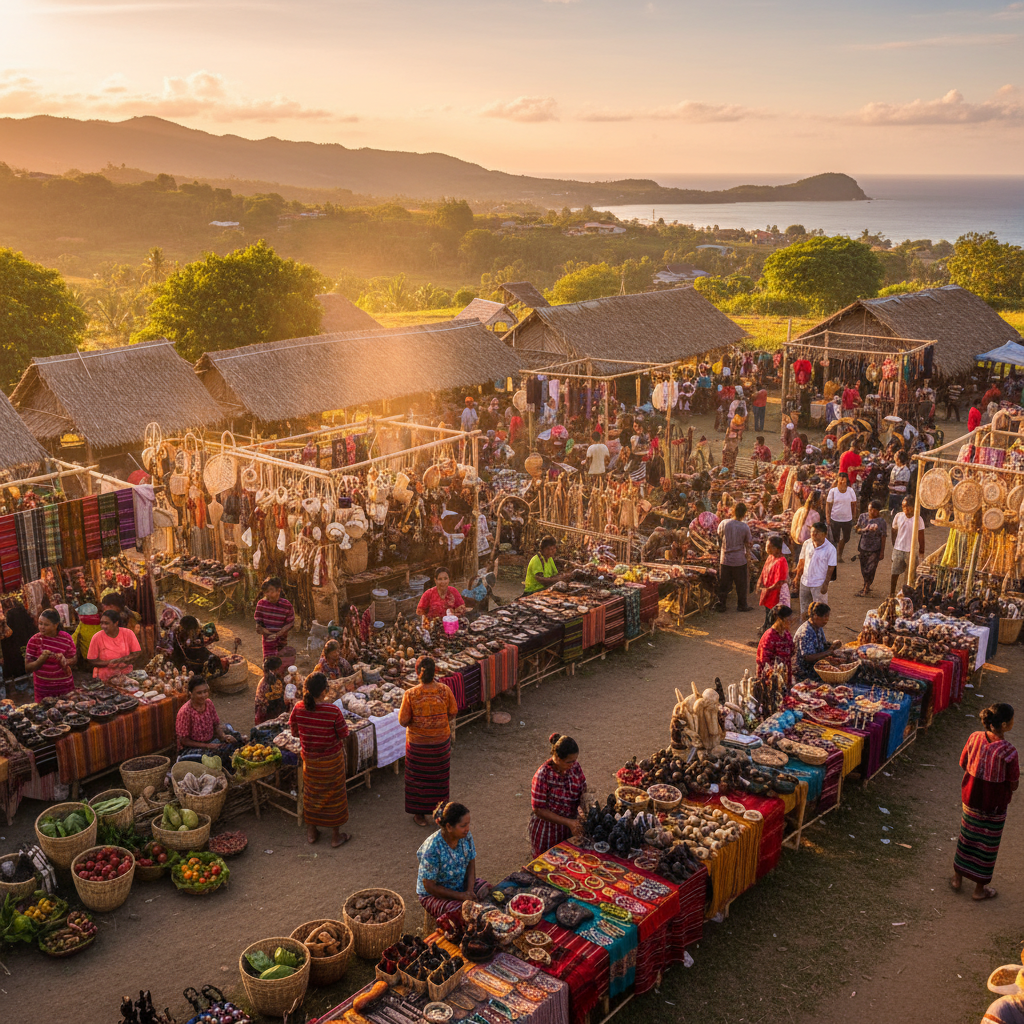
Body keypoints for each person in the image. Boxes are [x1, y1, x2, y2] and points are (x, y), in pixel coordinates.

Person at [951, 702, 1018, 901]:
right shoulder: (1008, 752)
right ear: (1005, 724)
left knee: (967, 837)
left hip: (970, 798)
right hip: (994, 805)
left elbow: (963, 762)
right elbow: (1013, 783)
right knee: (987, 844)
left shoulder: (974, 737)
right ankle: (979, 890)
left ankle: (957, 879)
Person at [288, 672, 352, 846]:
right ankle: (335, 836)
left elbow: (294, 732)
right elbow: (343, 734)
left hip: (311, 762)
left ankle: (312, 832)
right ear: (324, 691)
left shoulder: (298, 708)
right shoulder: (333, 711)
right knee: (335, 795)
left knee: (312, 794)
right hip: (332, 762)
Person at [399, 656, 458, 826]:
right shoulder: (444, 690)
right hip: (440, 744)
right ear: (435, 672)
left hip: (418, 746)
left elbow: (403, 721)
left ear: (417, 673)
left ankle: (419, 815)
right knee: (439, 778)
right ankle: (440, 812)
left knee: (417, 779)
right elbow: (453, 711)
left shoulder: (410, 694)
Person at [416, 801, 490, 927]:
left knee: (489, 891)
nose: (468, 829)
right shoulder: (432, 849)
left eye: (468, 824)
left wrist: (470, 890)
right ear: (449, 827)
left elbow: (471, 863)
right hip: (434, 894)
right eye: (463, 825)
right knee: (462, 912)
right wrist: (461, 896)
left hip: (460, 884)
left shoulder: (466, 836)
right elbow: (429, 886)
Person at [529, 733, 588, 856]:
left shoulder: (575, 767)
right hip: (548, 831)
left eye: (574, 760)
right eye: (568, 762)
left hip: (570, 828)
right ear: (557, 757)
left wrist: (582, 812)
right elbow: (539, 809)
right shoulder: (543, 775)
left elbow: (583, 789)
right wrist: (569, 822)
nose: (572, 764)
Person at [175, 676, 242, 763]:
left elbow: (216, 725)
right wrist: (209, 746)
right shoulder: (185, 712)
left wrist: (223, 736)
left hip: (210, 741)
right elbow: (184, 741)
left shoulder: (209, 703)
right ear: (191, 693)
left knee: (236, 737)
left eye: (205, 692)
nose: (203, 695)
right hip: (192, 748)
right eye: (199, 693)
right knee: (219, 753)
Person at [24, 609, 77, 701]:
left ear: (56, 625)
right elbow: (28, 667)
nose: (42, 627)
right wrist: (41, 659)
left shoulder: (66, 638)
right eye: (40, 623)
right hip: (43, 689)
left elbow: (74, 658)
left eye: (46, 624)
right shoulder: (34, 640)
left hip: (65, 687)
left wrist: (66, 661)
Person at [795, 520, 837, 618]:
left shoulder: (830, 549)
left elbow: (831, 568)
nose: (813, 534)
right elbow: (802, 560)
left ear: (825, 534)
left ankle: (817, 632)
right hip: (804, 582)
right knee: (804, 611)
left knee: (819, 613)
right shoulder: (807, 543)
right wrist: (797, 577)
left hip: (819, 584)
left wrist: (825, 584)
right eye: (812, 532)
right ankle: (805, 631)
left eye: (817, 532)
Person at [716, 502, 752, 613]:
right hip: (739, 560)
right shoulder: (744, 527)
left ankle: (722, 605)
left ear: (732, 511)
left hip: (725, 559)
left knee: (724, 584)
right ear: (744, 514)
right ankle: (742, 605)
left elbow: (719, 538)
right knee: (741, 585)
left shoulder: (723, 523)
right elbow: (749, 544)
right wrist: (749, 556)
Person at [87, 608, 142, 680]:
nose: (103, 626)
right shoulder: (97, 637)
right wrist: (109, 663)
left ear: (116, 623)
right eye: (102, 623)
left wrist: (123, 660)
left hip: (126, 675)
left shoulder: (128, 633)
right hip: (105, 676)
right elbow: (92, 660)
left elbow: (136, 653)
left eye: (106, 623)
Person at [793, 601, 842, 681]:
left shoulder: (818, 626)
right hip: (803, 669)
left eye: (827, 616)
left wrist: (833, 645)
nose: (826, 619)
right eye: (824, 616)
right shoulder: (805, 632)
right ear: (815, 616)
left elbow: (822, 644)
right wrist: (827, 652)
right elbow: (807, 657)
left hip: (815, 662)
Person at [890, 496, 925, 597]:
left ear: (913, 507)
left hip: (911, 551)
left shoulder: (918, 519)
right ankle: (891, 593)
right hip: (898, 549)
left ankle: (907, 594)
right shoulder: (898, 516)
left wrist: (921, 551)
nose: (905, 509)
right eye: (903, 507)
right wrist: (894, 544)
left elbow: (921, 536)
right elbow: (893, 530)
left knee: (910, 575)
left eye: (907, 507)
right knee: (894, 572)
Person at [254, 576, 295, 661]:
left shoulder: (287, 605)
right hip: (268, 641)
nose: (268, 594)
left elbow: (290, 623)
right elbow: (258, 627)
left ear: (278, 590)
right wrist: (269, 634)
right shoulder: (261, 604)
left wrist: (278, 634)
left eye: (271, 591)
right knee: (269, 663)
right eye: (266, 592)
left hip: (282, 641)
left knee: (281, 664)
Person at [756, 534, 789, 633]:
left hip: (775, 593)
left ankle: (770, 631)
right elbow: (764, 570)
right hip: (768, 590)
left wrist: (768, 589)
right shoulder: (771, 557)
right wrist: (759, 583)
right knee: (767, 610)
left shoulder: (781, 561)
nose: (767, 549)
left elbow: (780, 581)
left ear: (776, 549)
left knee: (773, 612)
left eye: (769, 547)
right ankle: (766, 626)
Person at [855, 499, 888, 597]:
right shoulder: (863, 516)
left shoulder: (882, 522)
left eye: (874, 510)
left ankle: (865, 588)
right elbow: (856, 529)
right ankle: (866, 584)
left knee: (871, 569)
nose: (872, 512)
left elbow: (883, 536)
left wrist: (882, 551)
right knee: (864, 568)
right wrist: (864, 529)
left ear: (878, 511)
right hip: (863, 546)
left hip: (875, 548)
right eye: (870, 510)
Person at [756, 605, 795, 685]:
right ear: (779, 619)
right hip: (771, 680)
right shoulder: (769, 637)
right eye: (788, 620)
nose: (791, 622)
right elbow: (765, 663)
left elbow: (791, 652)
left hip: (785, 677)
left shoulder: (786, 634)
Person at [826, 472, 857, 562]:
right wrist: (828, 517)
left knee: (846, 538)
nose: (842, 480)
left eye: (844, 478)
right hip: (835, 518)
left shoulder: (850, 491)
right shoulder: (833, 491)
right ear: (837, 480)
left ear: (847, 480)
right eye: (840, 478)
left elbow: (854, 504)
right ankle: (837, 556)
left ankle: (838, 553)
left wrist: (854, 516)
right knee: (835, 538)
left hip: (847, 518)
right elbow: (828, 504)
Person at [254, 656, 293, 724]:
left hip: (267, 706)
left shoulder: (268, 678)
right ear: (276, 669)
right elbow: (277, 698)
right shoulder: (270, 683)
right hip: (267, 709)